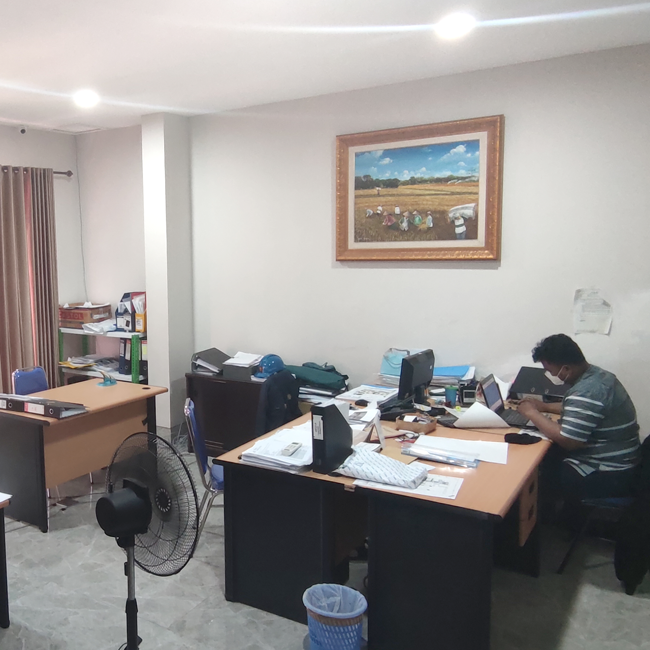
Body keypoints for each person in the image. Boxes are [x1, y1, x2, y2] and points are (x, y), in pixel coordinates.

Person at [517, 334, 640, 504]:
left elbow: (569, 440)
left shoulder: (587, 391)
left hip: (610, 472)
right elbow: (580, 409)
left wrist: (532, 413)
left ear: (566, 369)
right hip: (624, 460)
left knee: (540, 472)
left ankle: (546, 517)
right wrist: (544, 407)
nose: (551, 375)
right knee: (547, 455)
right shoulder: (599, 376)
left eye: (551, 371)